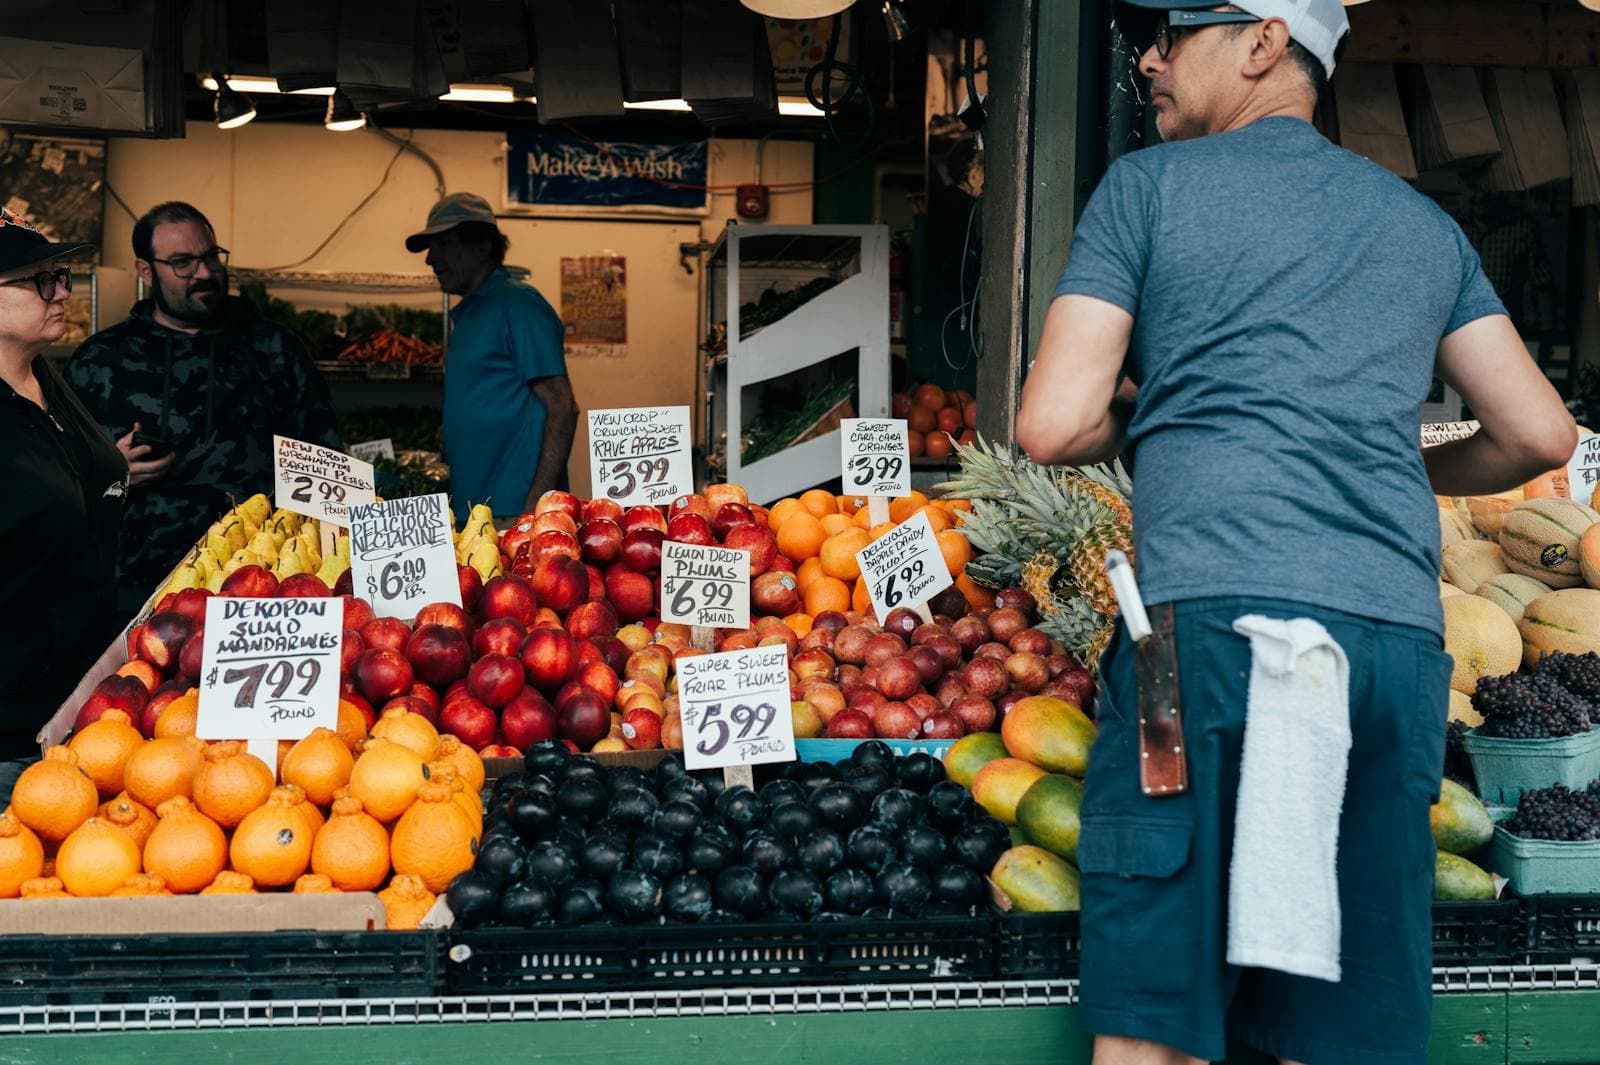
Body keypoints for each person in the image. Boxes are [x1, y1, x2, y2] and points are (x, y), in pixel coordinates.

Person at [1015, 2, 1576, 1063]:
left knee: (1156, 1003)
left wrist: (1170, 422)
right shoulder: (1418, 225)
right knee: (1343, 1024)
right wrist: (1388, 467)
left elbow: (1050, 425)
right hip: (1382, 658)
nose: (1148, 57)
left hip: (1189, 656)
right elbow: (1537, 431)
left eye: (1173, 33)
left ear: (1263, 42)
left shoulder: (1147, 188)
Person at [66, 202, 341, 616]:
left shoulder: (275, 349)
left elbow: (326, 459)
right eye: (182, 262)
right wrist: (111, 474)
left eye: (211, 256)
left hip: (263, 581)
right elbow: (59, 476)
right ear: (146, 271)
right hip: (136, 583)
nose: (206, 273)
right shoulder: (100, 360)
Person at [0, 207, 127, 804]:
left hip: (81, 704)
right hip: (10, 718)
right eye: (39, 280)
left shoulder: (48, 380)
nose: (61, 293)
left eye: (62, 277)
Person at [405, 192, 579, 523]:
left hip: (511, 510)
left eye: (442, 244)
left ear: (482, 247)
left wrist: (534, 509)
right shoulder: (473, 311)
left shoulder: (518, 305)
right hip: (474, 506)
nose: (430, 259)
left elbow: (563, 406)